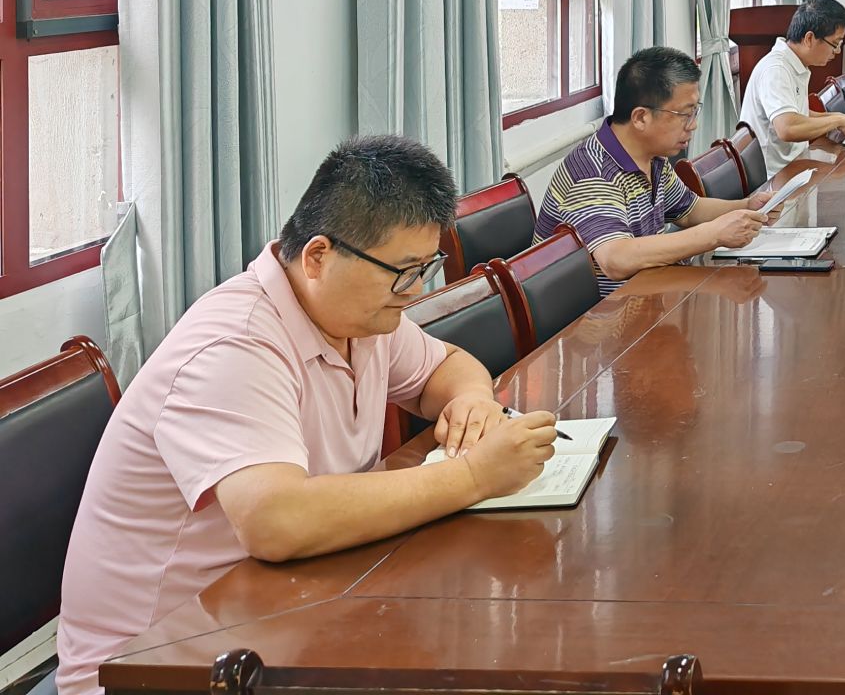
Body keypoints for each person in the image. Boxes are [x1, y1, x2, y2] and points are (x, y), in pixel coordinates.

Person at [53, 136, 560, 695]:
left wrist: (473, 402)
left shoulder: (359, 316)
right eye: (403, 271)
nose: (415, 289)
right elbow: (276, 521)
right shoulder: (236, 344)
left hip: (288, 611)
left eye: (426, 267)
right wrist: (473, 476)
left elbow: (448, 365)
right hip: (157, 665)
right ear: (318, 256)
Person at [536, 47, 779, 295]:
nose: (693, 125)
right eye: (685, 114)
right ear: (641, 117)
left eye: (694, 112)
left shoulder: (653, 158)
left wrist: (747, 206)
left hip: (647, 294)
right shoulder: (593, 173)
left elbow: (689, 210)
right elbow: (615, 259)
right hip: (605, 313)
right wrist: (714, 234)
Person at [738, 0, 845, 174]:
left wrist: (836, 118)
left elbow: (798, 113)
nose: (837, 51)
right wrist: (838, 120)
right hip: (774, 177)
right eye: (834, 44)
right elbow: (787, 128)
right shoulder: (777, 70)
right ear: (809, 38)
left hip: (796, 164)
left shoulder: (794, 63)